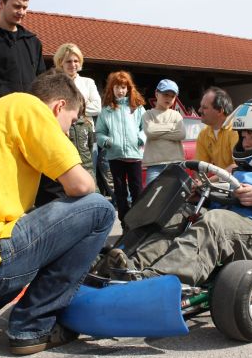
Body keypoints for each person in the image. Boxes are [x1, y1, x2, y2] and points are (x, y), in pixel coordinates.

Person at [0, 71, 115, 355]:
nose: (66, 132)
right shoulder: (29, 107)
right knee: (100, 208)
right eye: (71, 122)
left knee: (27, 231)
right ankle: (32, 325)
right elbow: (82, 185)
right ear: (59, 107)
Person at [101, 96, 252, 286]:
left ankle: (157, 282)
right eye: (243, 136)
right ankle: (127, 267)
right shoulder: (246, 164)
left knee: (216, 221)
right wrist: (201, 193)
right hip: (231, 227)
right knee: (179, 213)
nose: (245, 143)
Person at [96, 71, 146, 228]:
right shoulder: (107, 110)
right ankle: (125, 223)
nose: (120, 91)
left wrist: (140, 138)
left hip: (134, 155)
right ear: (111, 88)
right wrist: (107, 141)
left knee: (137, 190)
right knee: (120, 192)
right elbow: (99, 132)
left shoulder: (137, 108)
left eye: (123, 87)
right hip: (115, 156)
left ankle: (138, 221)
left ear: (129, 88)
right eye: (117, 87)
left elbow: (145, 127)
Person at [53, 43, 101, 169]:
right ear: (60, 62)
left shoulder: (88, 82)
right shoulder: (54, 84)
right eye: (68, 61)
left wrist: (68, 109)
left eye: (76, 61)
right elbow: (53, 110)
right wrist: (83, 107)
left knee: (89, 174)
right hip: (63, 135)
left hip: (86, 135)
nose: (73, 65)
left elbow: (97, 107)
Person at [142, 79, 186, 185]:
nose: (169, 98)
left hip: (176, 163)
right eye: (166, 94)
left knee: (175, 196)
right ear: (157, 94)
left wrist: (158, 130)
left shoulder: (176, 115)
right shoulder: (148, 114)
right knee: (153, 197)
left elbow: (181, 134)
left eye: (172, 96)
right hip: (155, 165)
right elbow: (150, 131)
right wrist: (171, 126)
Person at [195, 87, 239, 172]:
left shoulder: (235, 130)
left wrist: (209, 182)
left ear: (220, 111)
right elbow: (199, 166)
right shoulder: (203, 134)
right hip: (222, 182)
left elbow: (238, 166)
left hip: (241, 183)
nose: (199, 110)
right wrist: (198, 181)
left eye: (204, 107)